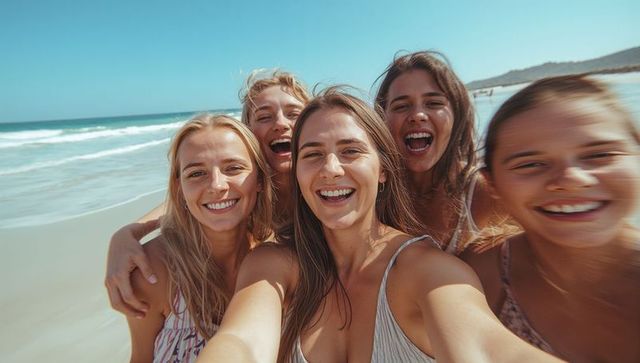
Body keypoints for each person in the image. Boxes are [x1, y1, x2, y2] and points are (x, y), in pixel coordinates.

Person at [197, 89, 561, 363]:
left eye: (351, 151)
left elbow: (487, 348)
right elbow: (240, 342)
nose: (331, 169)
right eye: (312, 154)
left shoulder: (426, 271)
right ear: (298, 173)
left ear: (384, 168)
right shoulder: (273, 265)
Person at [464, 75, 640, 362]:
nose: (572, 179)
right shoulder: (480, 275)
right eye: (531, 164)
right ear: (491, 184)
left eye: (599, 155)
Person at [105, 71, 309, 318]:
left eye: (294, 114)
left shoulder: (322, 192)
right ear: (247, 134)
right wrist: (126, 234)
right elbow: (188, 200)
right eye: (264, 116)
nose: (280, 123)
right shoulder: (244, 196)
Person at [125, 114, 273, 362]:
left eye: (233, 168)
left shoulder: (277, 262)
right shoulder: (152, 272)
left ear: (259, 179)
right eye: (196, 173)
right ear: (179, 188)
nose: (216, 185)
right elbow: (141, 358)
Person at [374, 50, 506, 255]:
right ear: (382, 121)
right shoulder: (375, 196)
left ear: (456, 115)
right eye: (401, 106)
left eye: (434, 103)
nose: (417, 115)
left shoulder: (486, 193)